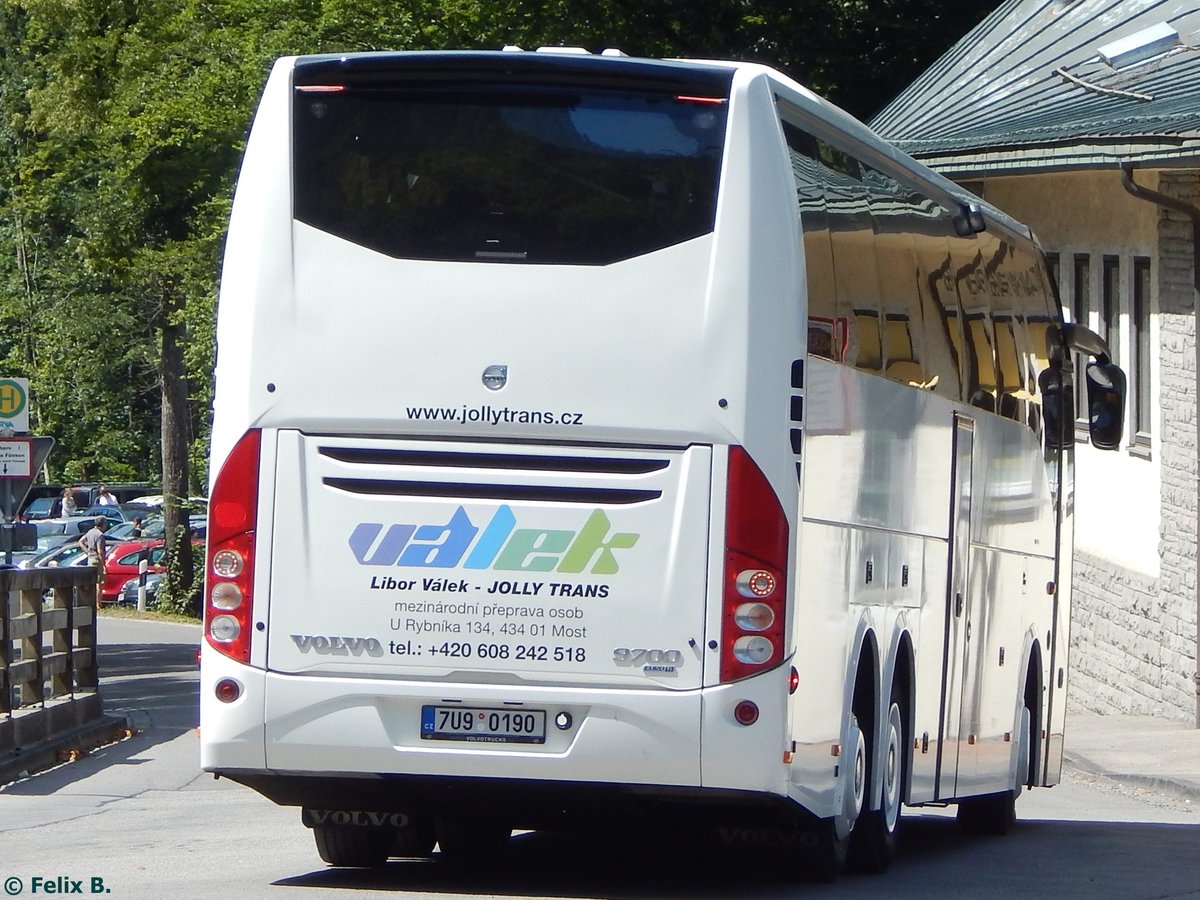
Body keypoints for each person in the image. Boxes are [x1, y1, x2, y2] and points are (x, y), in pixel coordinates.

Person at [78, 515, 109, 605]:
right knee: (99, 583)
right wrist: (104, 565)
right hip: (97, 559)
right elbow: (100, 550)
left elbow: (81, 541)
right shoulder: (100, 535)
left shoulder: (90, 532)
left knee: (91, 582)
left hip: (90, 559)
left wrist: (87, 551)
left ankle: (88, 601)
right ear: (102, 524)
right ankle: (98, 603)